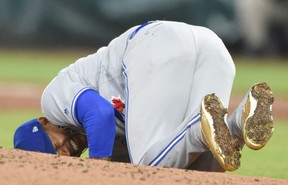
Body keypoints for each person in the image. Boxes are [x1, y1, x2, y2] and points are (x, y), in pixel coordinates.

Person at [13, 20, 274, 172]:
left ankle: (198, 125)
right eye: (57, 158)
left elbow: (100, 114)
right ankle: (240, 123)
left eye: (52, 145)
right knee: (198, 167)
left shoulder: (53, 100)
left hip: (157, 45)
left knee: (148, 164)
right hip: (213, 49)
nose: (63, 152)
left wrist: (97, 174)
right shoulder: (112, 144)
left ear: (44, 123)